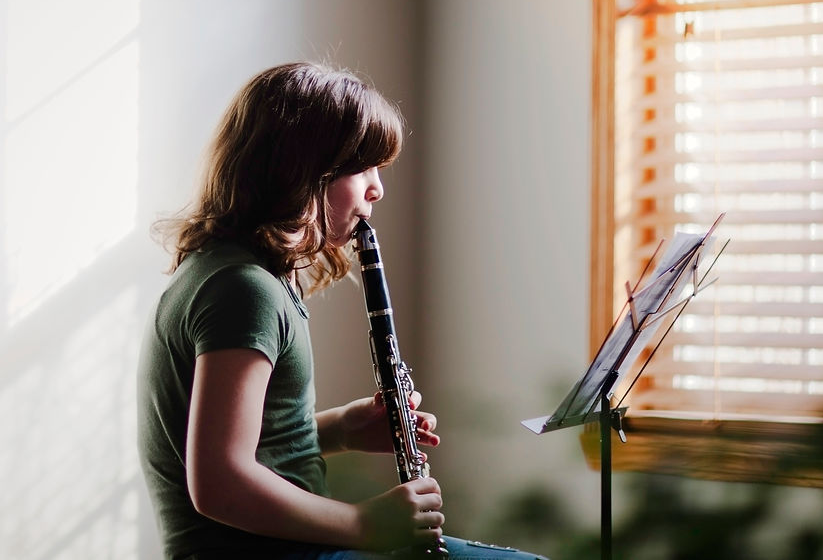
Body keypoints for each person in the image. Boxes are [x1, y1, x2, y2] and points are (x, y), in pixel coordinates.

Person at [137, 62, 548, 560]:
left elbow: (254, 444)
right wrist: (367, 524)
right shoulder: (243, 290)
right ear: (299, 170)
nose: (378, 189)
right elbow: (220, 483)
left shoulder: (225, 272)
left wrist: (343, 429)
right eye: (363, 167)